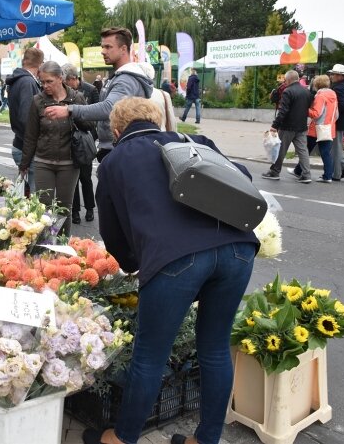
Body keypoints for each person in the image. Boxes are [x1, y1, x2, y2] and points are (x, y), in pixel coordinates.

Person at [85, 98, 258, 444]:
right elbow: (243, 178)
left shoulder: (115, 160)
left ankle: (123, 438)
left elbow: (113, 232)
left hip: (175, 258)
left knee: (150, 355)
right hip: (239, 249)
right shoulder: (195, 142)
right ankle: (206, 439)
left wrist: (135, 265)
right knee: (215, 348)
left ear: (117, 131)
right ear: (158, 119)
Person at [44, 27, 152, 162]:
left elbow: (109, 108)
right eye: (102, 47)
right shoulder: (118, 77)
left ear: (123, 49)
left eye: (108, 47)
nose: (103, 51)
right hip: (116, 147)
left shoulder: (126, 79)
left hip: (122, 149)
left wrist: (69, 110)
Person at [19, 62, 89, 236]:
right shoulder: (38, 101)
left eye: (49, 81)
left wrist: (71, 111)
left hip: (69, 162)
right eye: (42, 82)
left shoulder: (76, 98)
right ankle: (45, 246)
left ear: (60, 78)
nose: (45, 86)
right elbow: (31, 135)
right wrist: (24, 164)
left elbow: (89, 125)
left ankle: (62, 248)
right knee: (44, 208)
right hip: (44, 161)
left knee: (64, 208)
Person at [262, 70, 313, 183]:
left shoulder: (287, 91)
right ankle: (306, 175)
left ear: (288, 80)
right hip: (302, 126)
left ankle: (275, 172)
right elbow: (308, 107)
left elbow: (283, 111)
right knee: (303, 151)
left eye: (285, 80)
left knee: (280, 149)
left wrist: (275, 125)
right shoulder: (306, 92)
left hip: (287, 127)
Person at [62, 63, 97, 224]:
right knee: (72, 181)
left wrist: (91, 139)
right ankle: (75, 211)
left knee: (86, 178)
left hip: (84, 140)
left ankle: (90, 208)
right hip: (69, 143)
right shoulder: (61, 94)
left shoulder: (90, 90)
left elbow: (95, 117)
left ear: (72, 79)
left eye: (65, 80)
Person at [289, 75, 338, 183]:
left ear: (317, 84)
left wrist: (305, 109)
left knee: (305, 150)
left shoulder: (320, 96)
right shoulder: (333, 94)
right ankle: (328, 176)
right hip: (329, 128)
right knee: (325, 152)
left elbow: (316, 113)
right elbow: (337, 114)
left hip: (317, 129)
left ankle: (298, 171)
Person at [7, 48, 44, 192]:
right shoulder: (27, 82)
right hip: (27, 147)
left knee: (24, 192)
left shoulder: (18, 79)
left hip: (21, 143)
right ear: (40, 65)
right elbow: (26, 118)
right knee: (34, 196)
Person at [140, 63, 176, 132]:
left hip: (138, 138)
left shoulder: (132, 94)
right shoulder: (164, 95)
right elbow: (171, 121)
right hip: (161, 135)